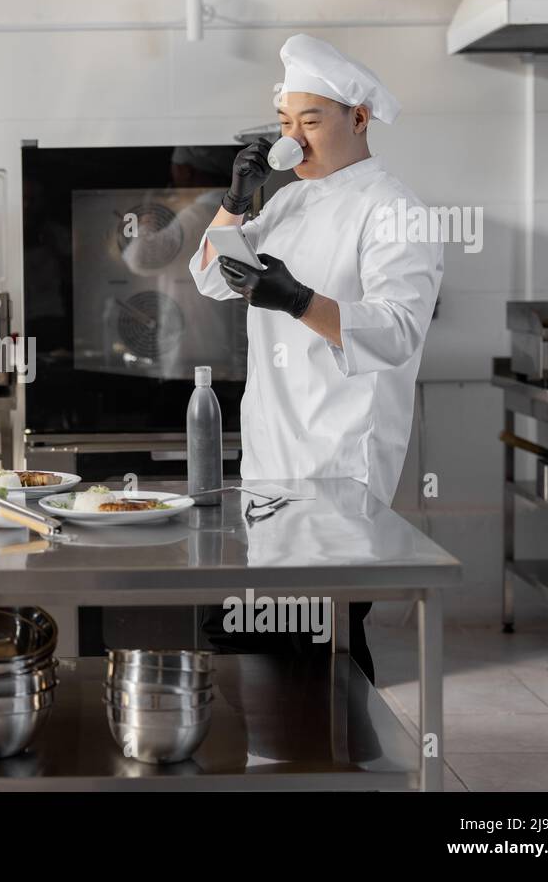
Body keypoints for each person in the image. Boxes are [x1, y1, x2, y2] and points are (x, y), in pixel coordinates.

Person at [190, 34, 444, 682]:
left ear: (358, 118)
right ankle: (306, 766)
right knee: (274, 639)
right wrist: (236, 201)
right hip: (274, 461)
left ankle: (348, 769)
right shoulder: (290, 199)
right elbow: (213, 278)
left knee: (318, 635)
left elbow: (396, 330)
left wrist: (298, 298)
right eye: (284, 124)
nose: (294, 139)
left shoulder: (395, 209)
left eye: (311, 121)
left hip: (337, 463)